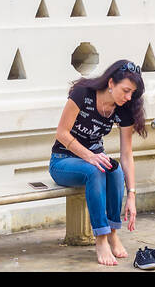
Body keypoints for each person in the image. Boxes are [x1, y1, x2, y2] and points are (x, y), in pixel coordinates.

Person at [49, 59, 147, 266]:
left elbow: (126, 153)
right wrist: (89, 156)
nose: (129, 97)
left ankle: (112, 232)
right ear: (111, 83)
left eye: (132, 93)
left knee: (115, 170)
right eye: (126, 90)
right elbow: (61, 133)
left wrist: (132, 194)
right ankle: (101, 238)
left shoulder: (123, 108)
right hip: (63, 161)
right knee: (95, 171)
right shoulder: (82, 94)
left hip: (94, 161)